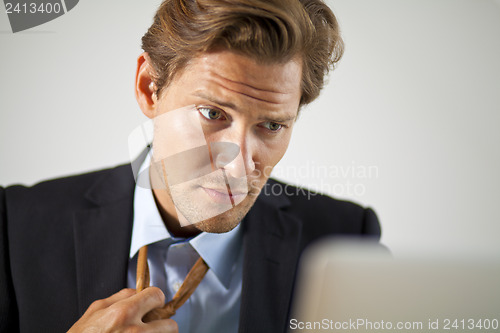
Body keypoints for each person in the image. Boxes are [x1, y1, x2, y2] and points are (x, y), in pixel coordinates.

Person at [0, 0, 381, 332]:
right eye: (213, 113)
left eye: (271, 125)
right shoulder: (14, 228)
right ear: (149, 87)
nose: (237, 168)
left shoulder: (346, 244)